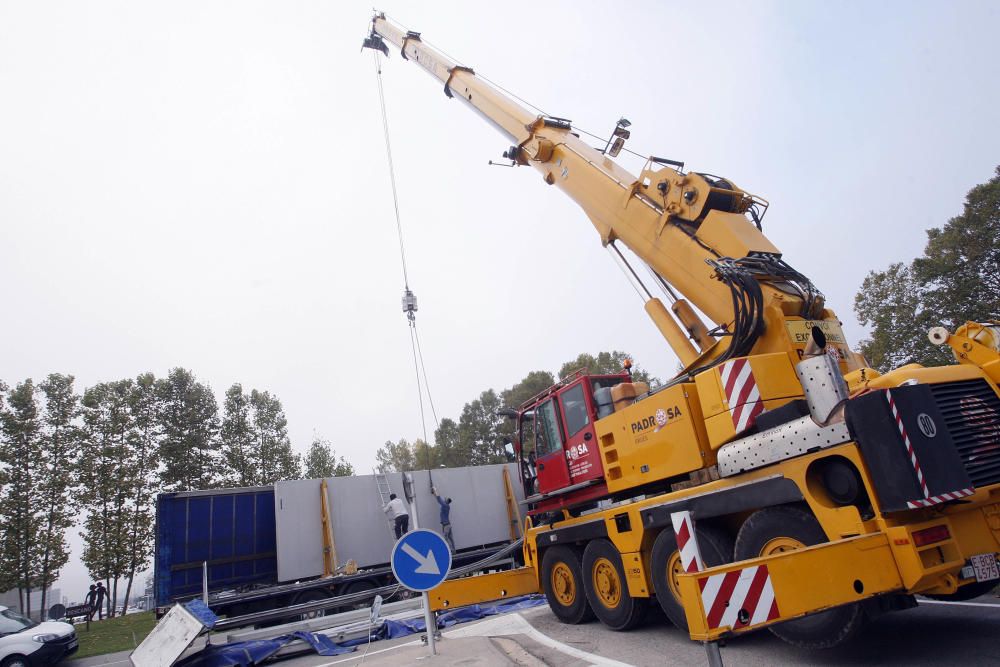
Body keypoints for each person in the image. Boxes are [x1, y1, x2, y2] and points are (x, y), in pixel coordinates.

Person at [431, 486, 455, 551]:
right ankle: (454, 551)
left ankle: (448, 550)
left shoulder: (444, 505)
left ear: (446, 501)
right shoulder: (447, 506)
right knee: (451, 538)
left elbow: (439, 499)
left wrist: (435, 489)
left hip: (446, 526)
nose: (444, 499)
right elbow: (439, 499)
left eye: (445, 499)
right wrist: (434, 494)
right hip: (448, 525)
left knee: (446, 538)